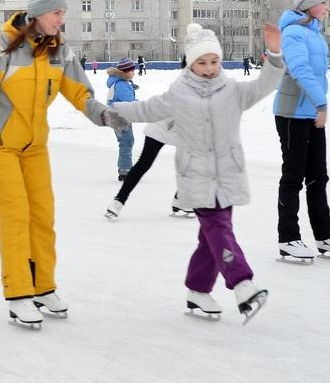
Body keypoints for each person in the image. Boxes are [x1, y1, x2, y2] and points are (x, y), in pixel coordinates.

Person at [0, 0, 127, 328]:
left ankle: (42, 286)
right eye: (56, 12)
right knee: (15, 217)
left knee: (43, 217)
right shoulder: (1, 50)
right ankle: (17, 293)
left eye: (63, 12)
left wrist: (103, 114)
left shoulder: (60, 50)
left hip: (35, 147)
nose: (61, 19)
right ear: (37, 14)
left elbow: (81, 93)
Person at [110, 21, 285, 323]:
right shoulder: (179, 93)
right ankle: (242, 284)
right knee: (218, 229)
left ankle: (197, 290)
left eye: (214, 61)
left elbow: (264, 85)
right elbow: (145, 110)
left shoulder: (231, 91)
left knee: (212, 237)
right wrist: (107, 111)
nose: (209, 68)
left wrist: (275, 52)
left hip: (227, 173)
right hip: (196, 175)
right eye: (201, 62)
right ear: (191, 64)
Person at [273, 0, 330, 263]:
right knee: (294, 175)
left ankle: (323, 235)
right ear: (309, 4)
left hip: (311, 113)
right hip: (293, 113)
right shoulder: (294, 32)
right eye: (324, 2)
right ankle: (288, 238)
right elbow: (300, 69)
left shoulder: (315, 34)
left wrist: (318, 106)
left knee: (318, 175)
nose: (328, 7)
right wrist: (321, 103)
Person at [104, 57, 190, 220]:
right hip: (151, 123)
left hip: (163, 125)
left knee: (190, 162)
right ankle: (123, 180)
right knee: (132, 149)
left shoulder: (122, 84)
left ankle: (180, 200)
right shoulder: (185, 85)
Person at [107, 57, 138, 181]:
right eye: (131, 71)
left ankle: (124, 167)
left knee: (126, 141)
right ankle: (125, 170)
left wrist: (131, 86)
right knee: (127, 141)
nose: (133, 73)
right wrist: (140, 104)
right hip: (120, 117)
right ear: (124, 72)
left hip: (116, 116)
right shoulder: (121, 85)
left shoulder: (119, 82)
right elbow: (129, 101)